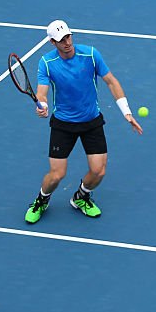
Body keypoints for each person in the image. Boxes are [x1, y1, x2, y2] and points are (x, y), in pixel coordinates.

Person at [25, 20, 143, 224]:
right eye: (61, 40)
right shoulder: (46, 63)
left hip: (91, 121)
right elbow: (42, 92)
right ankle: (41, 200)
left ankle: (81, 196)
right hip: (63, 124)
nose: (67, 42)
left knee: (99, 171)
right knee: (56, 175)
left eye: (68, 36)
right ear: (53, 42)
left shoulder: (90, 55)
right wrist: (41, 105)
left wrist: (127, 112)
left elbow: (111, 81)